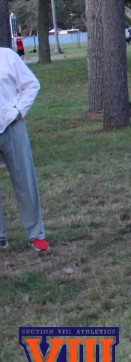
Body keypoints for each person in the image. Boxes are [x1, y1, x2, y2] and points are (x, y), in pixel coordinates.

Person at [0, 48, 49, 252]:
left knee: (25, 180)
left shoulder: (7, 56)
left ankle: (36, 235)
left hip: (11, 125)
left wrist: (18, 110)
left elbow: (31, 84)